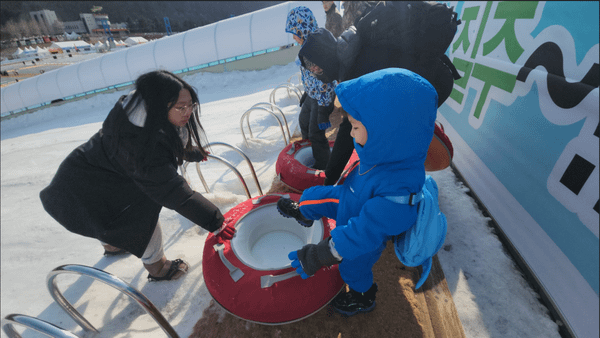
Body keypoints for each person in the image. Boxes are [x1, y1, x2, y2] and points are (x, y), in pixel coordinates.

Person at [40, 70, 234, 282]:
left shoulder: (141, 116)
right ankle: (158, 268)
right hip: (79, 190)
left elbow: (164, 143)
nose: (188, 112)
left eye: (191, 105)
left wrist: (190, 153)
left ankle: (113, 244)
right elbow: (175, 192)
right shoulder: (138, 148)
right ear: (159, 106)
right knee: (139, 222)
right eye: (181, 107)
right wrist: (216, 223)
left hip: (91, 175)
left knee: (108, 220)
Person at [277, 68, 439, 316]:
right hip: (352, 197)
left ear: (387, 132)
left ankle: (363, 297)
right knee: (321, 196)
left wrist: (321, 255)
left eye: (355, 126)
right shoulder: (382, 151)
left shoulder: (400, 190)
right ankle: (304, 212)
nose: (350, 133)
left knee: (352, 267)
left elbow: (364, 232)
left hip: (364, 230)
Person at [298, 4, 460, 185]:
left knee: (390, 135)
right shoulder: (349, 52)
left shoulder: (353, 71)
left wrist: (330, 177)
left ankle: (403, 188)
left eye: (316, 67)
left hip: (431, 83)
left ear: (325, 58)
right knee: (381, 126)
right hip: (431, 77)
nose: (316, 73)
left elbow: (347, 130)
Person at [285, 6, 337, 170]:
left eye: (294, 32)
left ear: (302, 29)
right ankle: (311, 150)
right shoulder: (308, 43)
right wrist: (307, 94)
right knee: (304, 121)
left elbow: (324, 83)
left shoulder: (313, 51)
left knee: (316, 132)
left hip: (322, 97)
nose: (293, 37)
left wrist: (322, 110)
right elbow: (310, 77)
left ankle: (324, 165)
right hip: (312, 94)